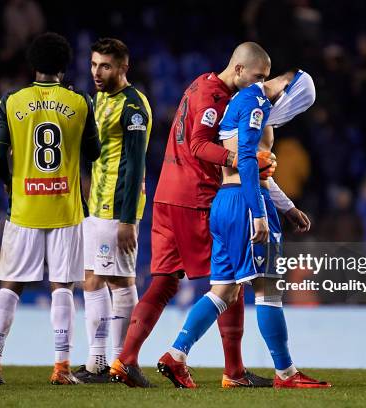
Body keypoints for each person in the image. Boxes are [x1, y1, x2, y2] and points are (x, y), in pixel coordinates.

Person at [110, 42, 278, 388]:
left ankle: (125, 360)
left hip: (167, 196)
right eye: (258, 78)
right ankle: (233, 372)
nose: (260, 86)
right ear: (239, 70)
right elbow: (199, 144)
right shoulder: (215, 98)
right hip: (194, 198)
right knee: (231, 281)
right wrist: (239, 159)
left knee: (164, 281)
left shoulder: (200, 83)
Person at [156, 70, 331, 389]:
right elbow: (249, 160)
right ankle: (286, 374)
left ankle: (175, 355)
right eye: (295, 105)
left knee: (223, 290)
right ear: (286, 90)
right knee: (268, 291)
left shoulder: (239, 104)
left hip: (225, 202)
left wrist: (288, 207)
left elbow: (251, 165)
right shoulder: (257, 104)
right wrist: (260, 212)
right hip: (247, 204)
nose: (291, 113)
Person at [0, 32, 100, 385]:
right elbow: (92, 153)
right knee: (63, 286)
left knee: (10, 285)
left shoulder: (11, 101)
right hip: (65, 208)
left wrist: (10, 180)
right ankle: (61, 367)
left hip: (25, 207)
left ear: (32, 63)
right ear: (65, 65)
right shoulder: (80, 102)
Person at [73, 38, 152, 383]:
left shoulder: (133, 107)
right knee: (99, 280)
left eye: (105, 66)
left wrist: (126, 220)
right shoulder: (98, 99)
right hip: (97, 204)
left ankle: (111, 362)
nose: (97, 72)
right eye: (93, 65)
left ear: (123, 67)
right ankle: (112, 362)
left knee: (110, 282)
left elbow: (135, 166)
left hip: (116, 207)